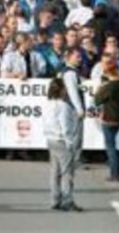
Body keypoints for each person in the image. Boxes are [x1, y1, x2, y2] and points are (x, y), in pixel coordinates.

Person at [43, 78, 82, 212]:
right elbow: (65, 126)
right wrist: (70, 142)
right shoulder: (63, 106)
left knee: (55, 171)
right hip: (61, 140)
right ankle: (68, 200)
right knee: (67, 172)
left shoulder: (47, 104)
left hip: (51, 139)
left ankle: (55, 199)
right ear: (61, 90)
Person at [93, 58, 119, 182]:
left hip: (108, 116)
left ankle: (115, 173)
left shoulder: (109, 86)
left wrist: (101, 88)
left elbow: (97, 100)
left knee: (110, 146)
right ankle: (116, 171)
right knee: (112, 144)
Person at [61, 48, 85, 163]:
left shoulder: (74, 72)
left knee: (75, 135)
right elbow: (72, 92)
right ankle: (72, 159)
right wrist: (79, 109)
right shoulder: (70, 73)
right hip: (72, 108)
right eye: (77, 57)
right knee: (74, 135)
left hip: (72, 107)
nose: (79, 59)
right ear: (69, 57)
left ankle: (74, 158)